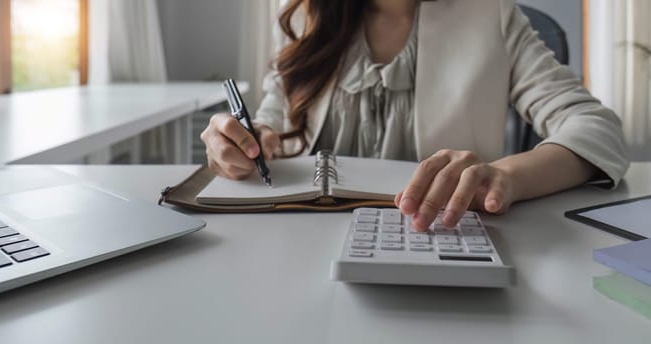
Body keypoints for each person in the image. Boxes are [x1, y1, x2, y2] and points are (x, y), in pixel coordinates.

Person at [201, 0, 629, 232]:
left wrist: (507, 176)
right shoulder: (309, 14)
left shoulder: (492, 16)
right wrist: (241, 141)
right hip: (299, 242)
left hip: (439, 234)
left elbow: (597, 130)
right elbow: (272, 126)